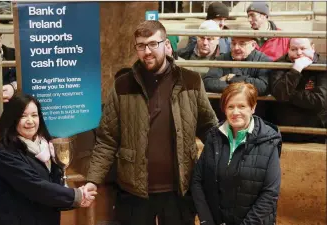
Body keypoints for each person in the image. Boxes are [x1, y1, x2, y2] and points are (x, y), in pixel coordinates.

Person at [84, 20, 218, 225]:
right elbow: (107, 139)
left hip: (179, 189)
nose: (147, 51)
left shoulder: (190, 81)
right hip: (134, 190)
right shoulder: (122, 85)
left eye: (153, 44)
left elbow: (209, 127)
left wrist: (222, 164)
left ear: (166, 44)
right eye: (141, 45)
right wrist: (93, 179)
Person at [0, 94, 98, 225]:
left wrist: (74, 199)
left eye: (34, 115)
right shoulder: (4, 155)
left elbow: (53, 188)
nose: (30, 121)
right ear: (12, 119)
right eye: (23, 116)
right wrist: (76, 196)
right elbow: (36, 187)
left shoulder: (45, 147)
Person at [192, 82, 282, 225]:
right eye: (230, 106)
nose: (235, 112)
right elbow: (197, 180)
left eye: (242, 106)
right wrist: (206, 220)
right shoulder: (213, 137)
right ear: (224, 109)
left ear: (253, 108)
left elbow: (270, 192)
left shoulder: (269, 140)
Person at [268, 38, 327, 143]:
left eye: (303, 48)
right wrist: (296, 69)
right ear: (288, 49)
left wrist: (288, 94)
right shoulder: (279, 64)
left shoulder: (323, 64)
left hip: (315, 130)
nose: (299, 53)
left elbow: (320, 100)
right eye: (294, 49)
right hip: (285, 129)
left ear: (312, 48)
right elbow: (280, 94)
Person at [203, 36, 272, 96]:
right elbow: (208, 83)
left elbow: (263, 87)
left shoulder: (263, 60)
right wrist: (242, 86)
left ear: (253, 45)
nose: (236, 48)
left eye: (242, 44)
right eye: (233, 43)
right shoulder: (222, 58)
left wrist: (231, 78)